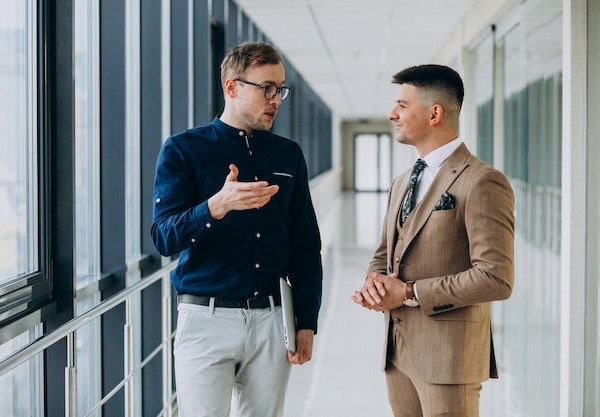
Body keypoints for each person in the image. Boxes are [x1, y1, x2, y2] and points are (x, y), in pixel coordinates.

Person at [151, 42, 323, 417]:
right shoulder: (183, 150)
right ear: (231, 87)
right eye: (267, 88)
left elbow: (305, 245)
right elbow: (164, 237)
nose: (276, 98)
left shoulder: (288, 154)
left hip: (272, 320)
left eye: (280, 89)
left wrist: (306, 321)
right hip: (205, 320)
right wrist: (217, 206)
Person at [351, 64, 515, 417]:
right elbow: (384, 254)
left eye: (402, 105)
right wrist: (375, 284)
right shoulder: (403, 180)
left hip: (448, 357)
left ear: (434, 113)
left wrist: (409, 293)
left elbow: (496, 278)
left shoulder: (483, 181)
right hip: (397, 351)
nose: (391, 114)